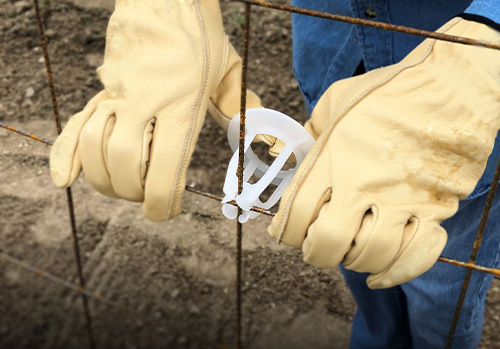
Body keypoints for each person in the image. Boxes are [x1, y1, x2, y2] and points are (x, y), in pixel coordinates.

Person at [49, 0, 500, 347]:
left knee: (439, 283)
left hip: (464, 116)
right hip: (335, 50)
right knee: (349, 247)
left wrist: (486, 48)